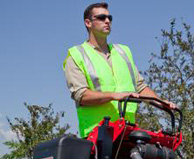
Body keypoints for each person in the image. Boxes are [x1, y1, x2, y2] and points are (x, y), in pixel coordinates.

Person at [64, 2, 176, 138]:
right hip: (97, 135)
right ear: (88, 23)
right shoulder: (76, 55)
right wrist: (114, 95)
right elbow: (81, 95)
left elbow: (140, 87)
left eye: (109, 18)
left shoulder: (123, 52)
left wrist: (162, 104)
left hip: (128, 131)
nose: (107, 21)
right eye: (101, 17)